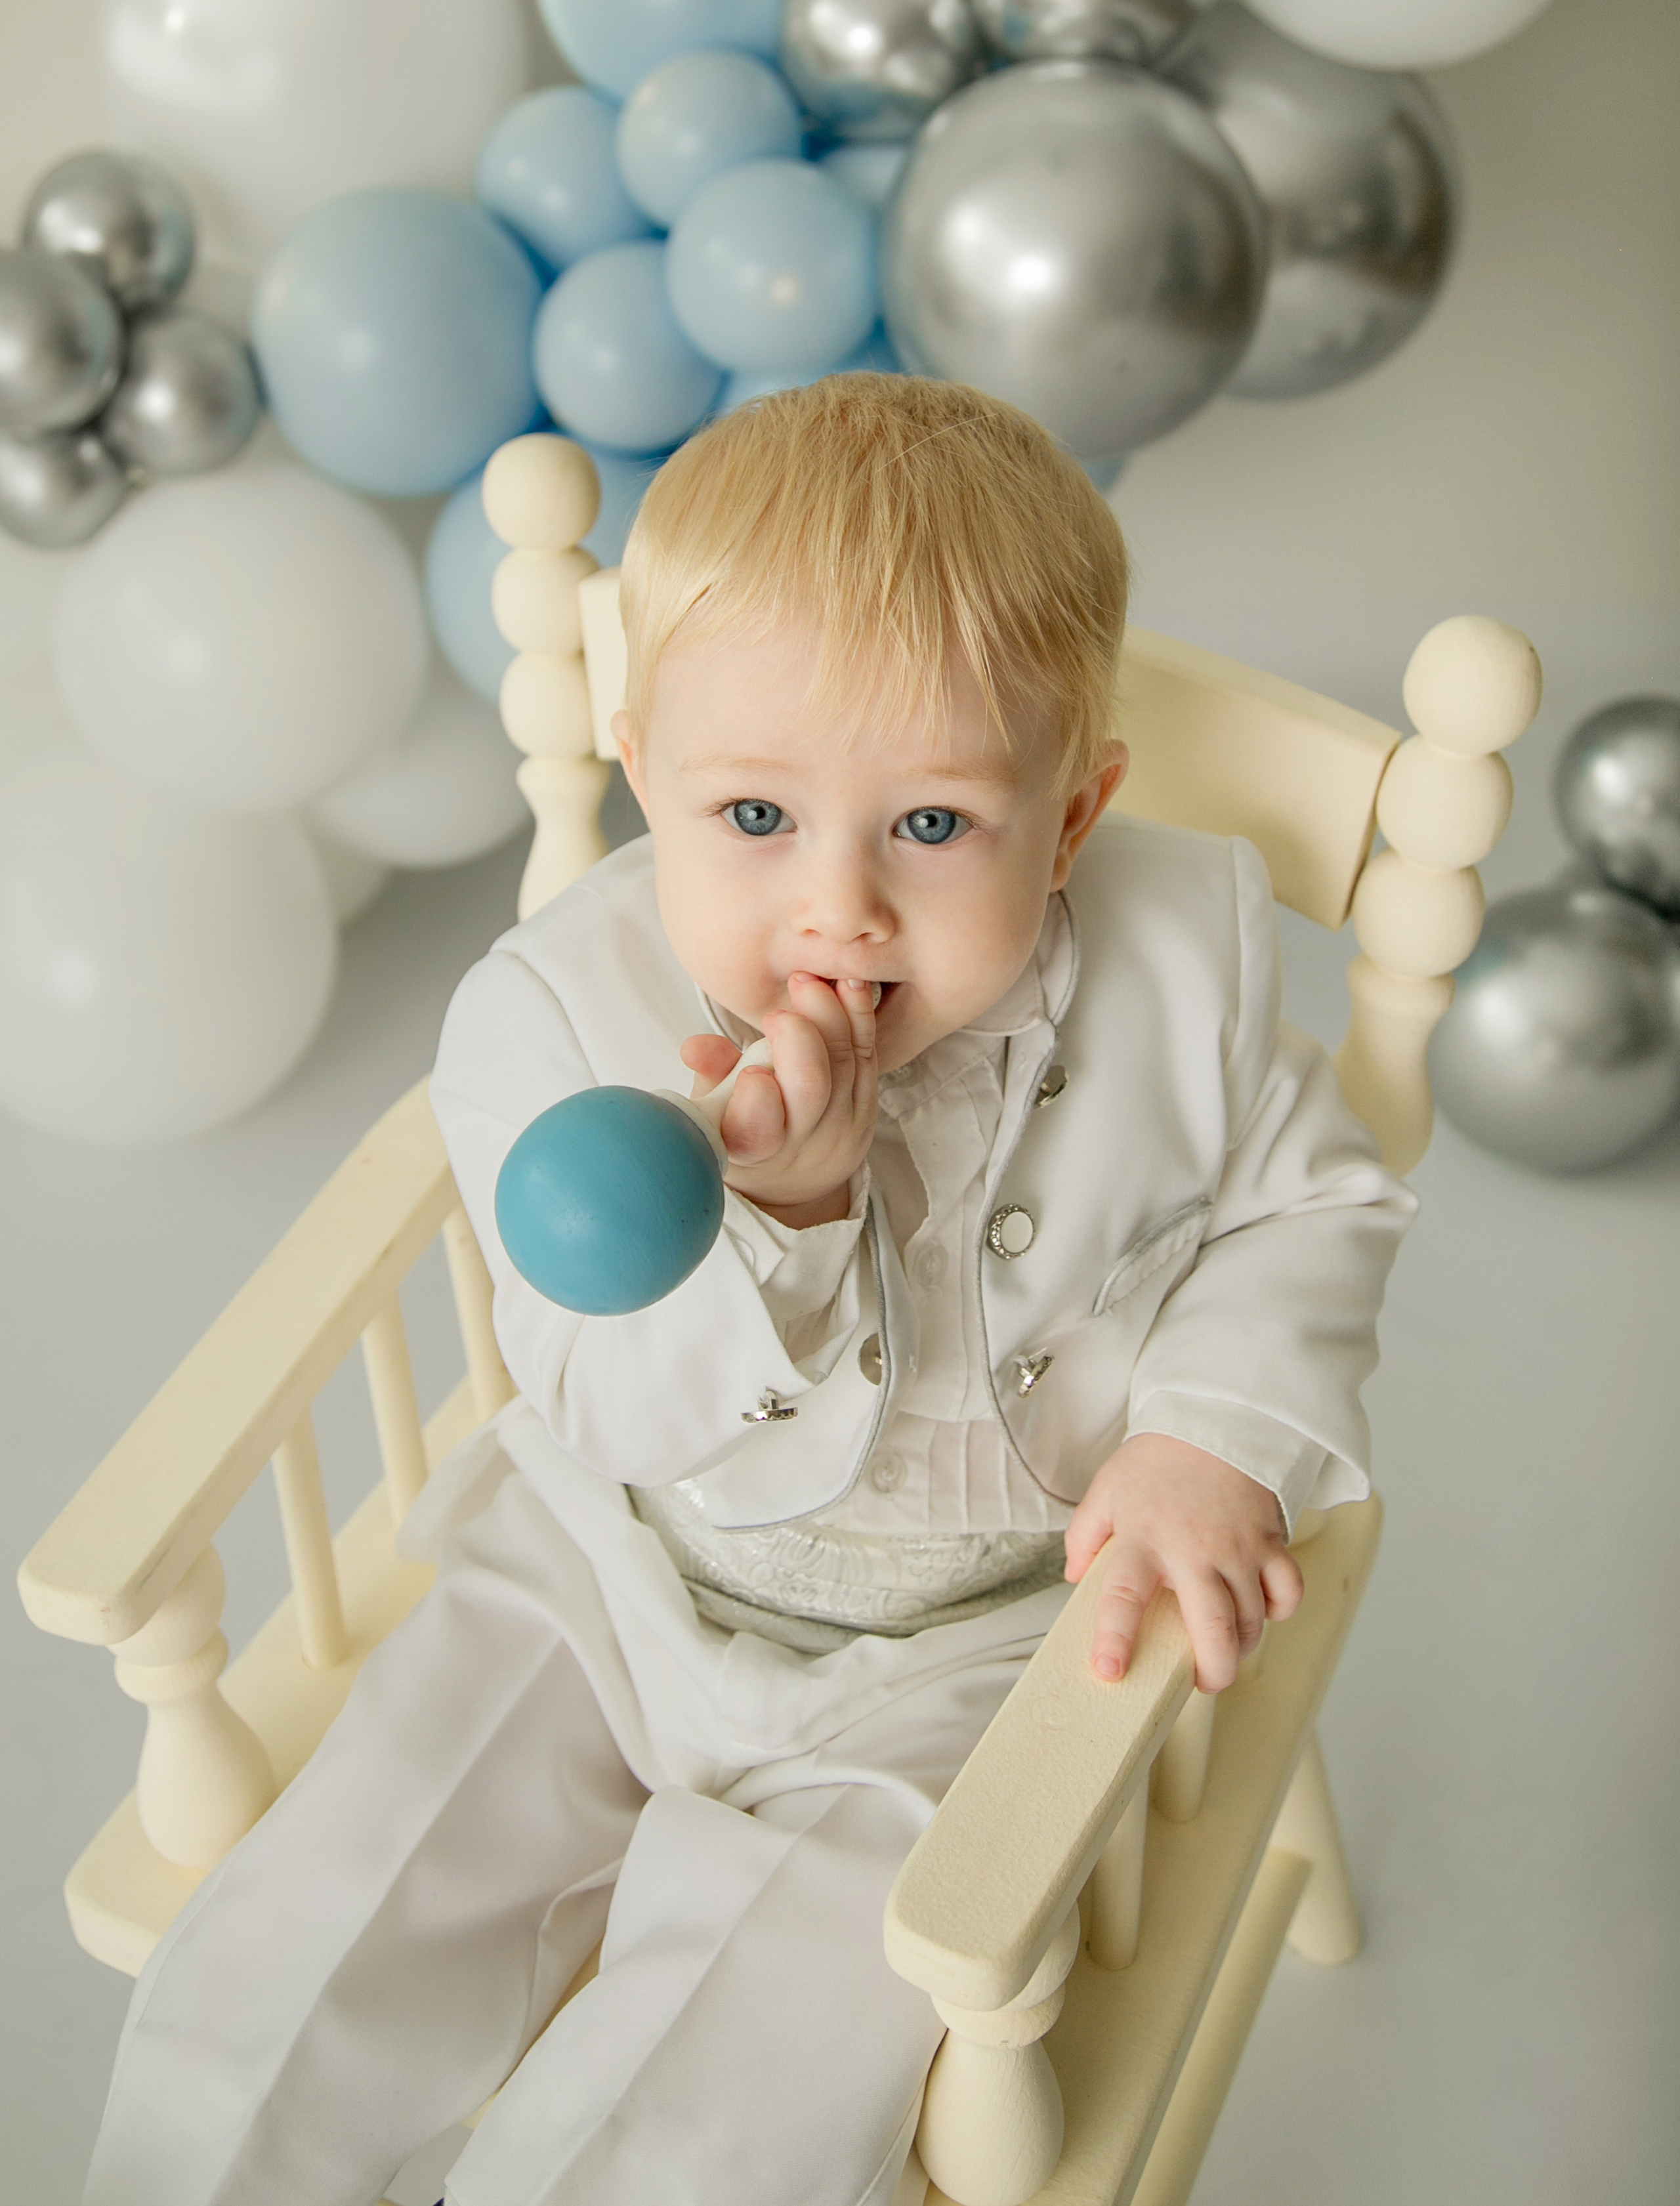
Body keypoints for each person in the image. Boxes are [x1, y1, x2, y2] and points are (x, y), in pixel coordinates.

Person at [84, 373, 1414, 2206]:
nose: (838, 906)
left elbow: (1315, 1196)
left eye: (934, 826)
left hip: (972, 1646)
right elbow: (602, 1405)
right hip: (610, 1569)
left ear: (1076, 814)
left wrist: (1214, 1434)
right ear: (645, 773)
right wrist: (782, 1213)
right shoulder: (561, 1018)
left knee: (727, 2098)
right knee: (313, 1938)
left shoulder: (1187, 975)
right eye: (757, 813)